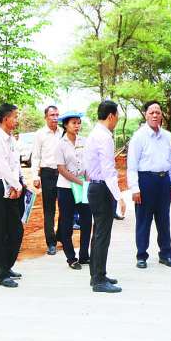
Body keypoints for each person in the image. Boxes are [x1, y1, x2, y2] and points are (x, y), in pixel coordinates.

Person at [127, 101, 171, 269]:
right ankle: (141, 255)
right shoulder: (139, 137)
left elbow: (170, 161)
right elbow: (132, 166)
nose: (155, 115)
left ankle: (166, 254)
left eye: (158, 112)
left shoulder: (167, 136)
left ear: (162, 114)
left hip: (163, 182)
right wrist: (135, 188)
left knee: (164, 220)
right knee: (144, 220)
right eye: (152, 112)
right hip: (145, 181)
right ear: (145, 115)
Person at [84, 100, 126, 293]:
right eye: (117, 116)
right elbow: (108, 170)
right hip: (102, 189)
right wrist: (119, 197)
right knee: (102, 235)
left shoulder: (93, 134)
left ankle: (97, 274)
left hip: (94, 186)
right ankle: (99, 280)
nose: (117, 119)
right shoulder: (105, 137)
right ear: (111, 116)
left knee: (98, 234)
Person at [0, 103, 26, 288]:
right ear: (5, 118)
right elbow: (1, 165)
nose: (17, 120)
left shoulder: (11, 140)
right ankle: (1, 274)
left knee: (16, 230)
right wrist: (16, 184)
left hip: (12, 187)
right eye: (15, 116)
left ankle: (6, 266)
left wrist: (18, 184)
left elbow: (15, 165)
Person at [55, 111, 91, 270]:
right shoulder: (60, 144)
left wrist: (87, 181)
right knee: (67, 222)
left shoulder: (84, 141)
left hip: (83, 185)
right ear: (65, 125)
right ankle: (71, 257)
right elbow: (61, 169)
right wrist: (79, 182)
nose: (77, 126)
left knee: (87, 220)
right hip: (66, 187)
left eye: (79, 123)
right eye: (73, 123)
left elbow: (88, 163)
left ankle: (84, 255)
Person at [31, 105, 61, 255]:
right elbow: (36, 156)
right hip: (47, 174)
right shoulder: (40, 134)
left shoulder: (63, 132)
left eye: (57, 115)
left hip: (63, 174)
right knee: (49, 210)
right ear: (46, 117)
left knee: (65, 207)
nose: (55, 118)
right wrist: (35, 176)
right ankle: (51, 243)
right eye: (52, 115)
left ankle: (61, 235)